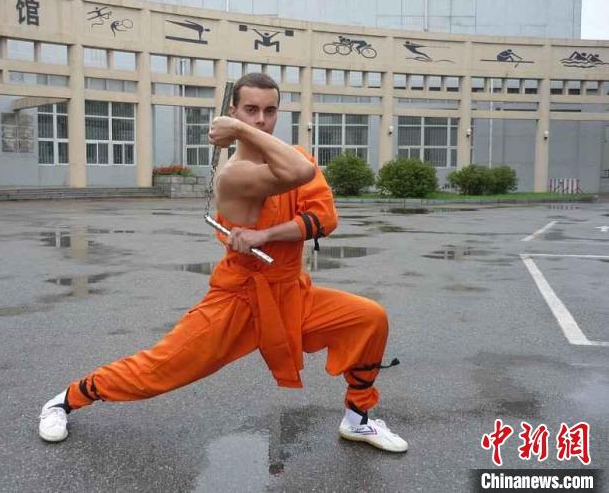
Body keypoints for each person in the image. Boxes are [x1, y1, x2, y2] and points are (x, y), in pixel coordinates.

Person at [38, 73, 407, 453]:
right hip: (240, 296)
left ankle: (358, 418)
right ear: (233, 112)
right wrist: (241, 133)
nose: (261, 119)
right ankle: (66, 400)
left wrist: (265, 234)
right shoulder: (234, 174)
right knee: (159, 369)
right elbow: (299, 174)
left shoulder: (294, 157)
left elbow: (325, 219)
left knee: (369, 318)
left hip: (291, 292)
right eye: (250, 110)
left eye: (270, 111)